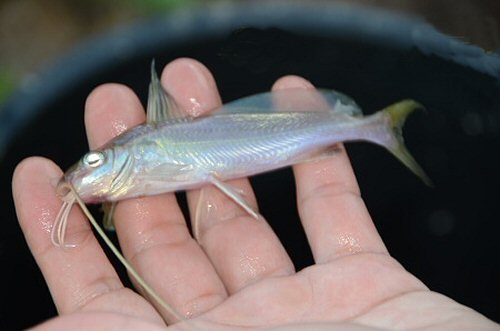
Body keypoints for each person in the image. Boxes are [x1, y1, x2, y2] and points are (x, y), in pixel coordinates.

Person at [12, 58, 499, 331]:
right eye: (90, 164)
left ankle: (378, 129)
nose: (86, 171)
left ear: (123, 153)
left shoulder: (146, 144)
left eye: (94, 162)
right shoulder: (135, 167)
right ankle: (374, 129)